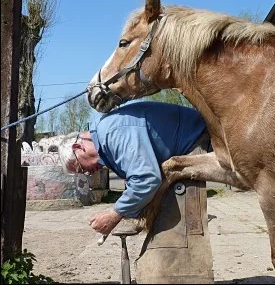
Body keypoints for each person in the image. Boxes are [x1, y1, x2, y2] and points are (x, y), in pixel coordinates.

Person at [58, 101, 208, 235]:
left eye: (80, 168)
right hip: (185, 147)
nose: (87, 173)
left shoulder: (112, 134)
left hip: (198, 140)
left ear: (78, 147)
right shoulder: (106, 139)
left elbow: (146, 179)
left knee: (174, 231)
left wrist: (114, 214)